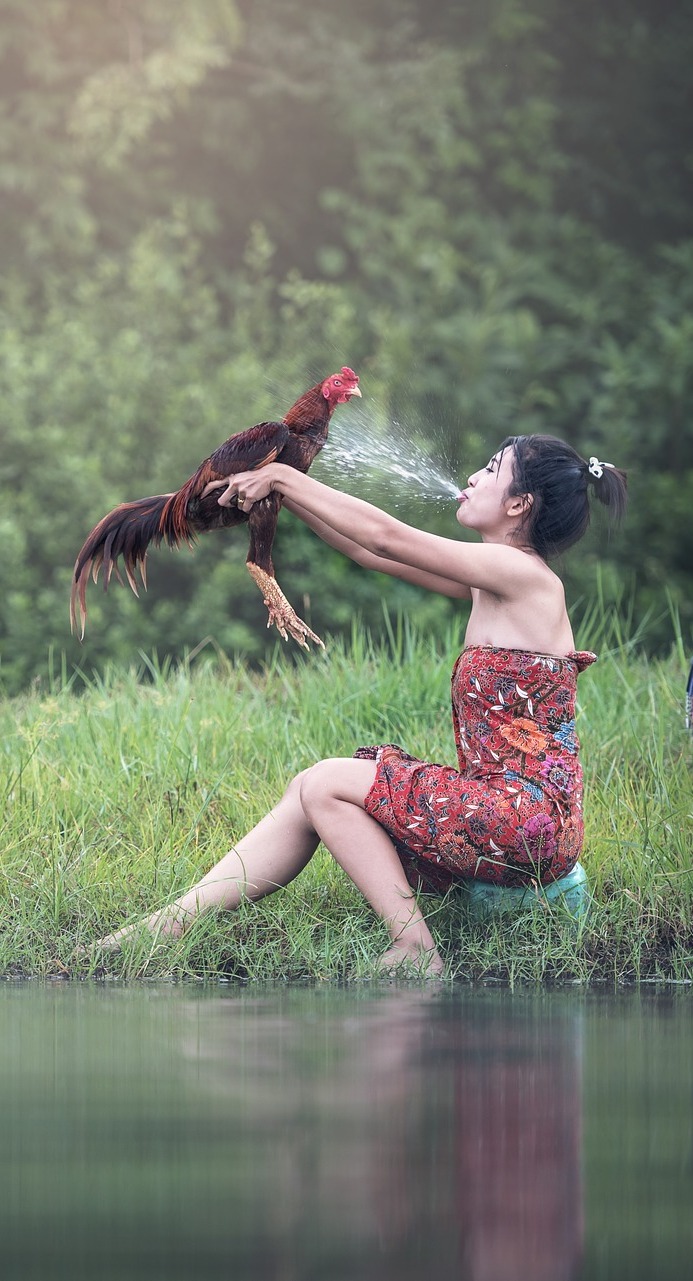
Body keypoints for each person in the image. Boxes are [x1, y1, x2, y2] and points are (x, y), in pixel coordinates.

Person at [92, 435, 627, 975]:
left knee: (328, 781)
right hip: (501, 813)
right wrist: (281, 490)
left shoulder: (523, 577)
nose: (472, 478)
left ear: (519, 504)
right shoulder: (493, 582)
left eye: (491, 469)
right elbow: (367, 552)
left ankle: (416, 951)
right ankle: (163, 927)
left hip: (528, 822)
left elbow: (386, 536)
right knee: (310, 789)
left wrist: (281, 478)